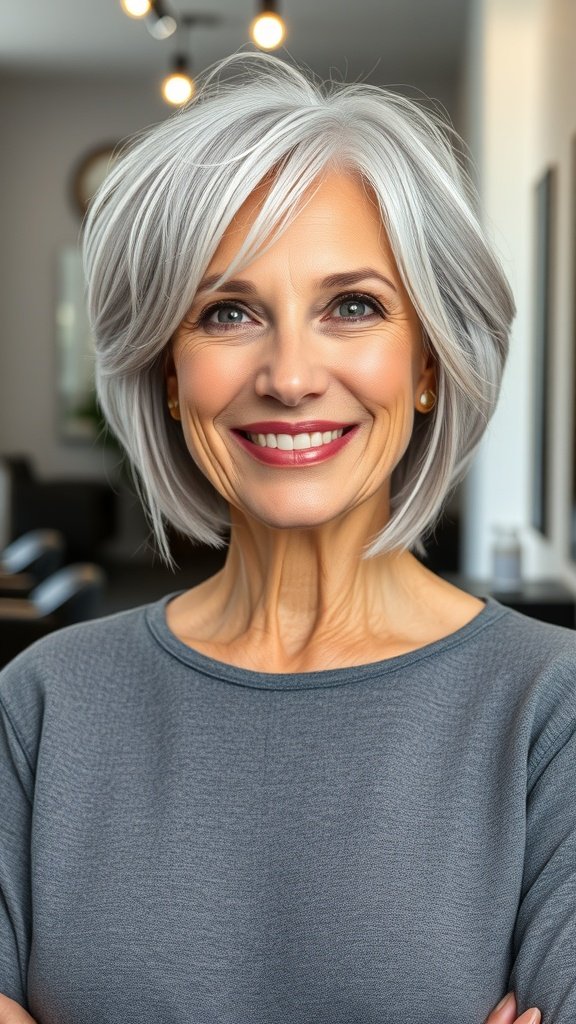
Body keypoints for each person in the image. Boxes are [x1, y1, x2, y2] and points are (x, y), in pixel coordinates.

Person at [0, 48, 572, 1024]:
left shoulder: (549, 710)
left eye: (353, 306)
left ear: (427, 360)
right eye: (229, 312)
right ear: (169, 375)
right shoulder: (41, 705)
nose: (291, 374)